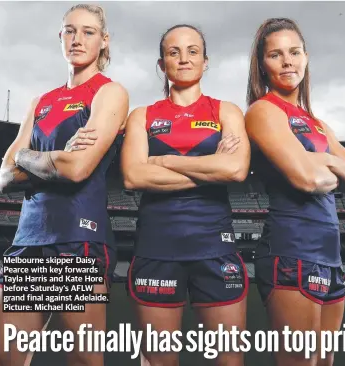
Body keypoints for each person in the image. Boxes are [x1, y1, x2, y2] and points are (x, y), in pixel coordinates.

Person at [0, 4, 128, 366]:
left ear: (104, 40)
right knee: (4, 358)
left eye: (88, 31)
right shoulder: (41, 102)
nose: (77, 39)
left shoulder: (108, 94)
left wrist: (26, 157)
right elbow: (4, 177)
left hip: (76, 238)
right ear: (60, 37)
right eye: (69, 30)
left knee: (81, 359)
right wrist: (47, 159)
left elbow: (77, 168)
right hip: (28, 239)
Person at [121, 24, 251, 366]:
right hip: (156, 249)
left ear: (205, 62)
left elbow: (236, 171)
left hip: (215, 248)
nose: (184, 59)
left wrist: (165, 161)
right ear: (162, 64)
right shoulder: (142, 116)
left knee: (229, 361)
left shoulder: (227, 111)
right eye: (174, 52)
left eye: (193, 51)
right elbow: (134, 175)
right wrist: (211, 168)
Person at [244, 18, 345, 366]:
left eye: (294, 52)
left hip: (330, 256)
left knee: (324, 361)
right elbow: (306, 180)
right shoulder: (264, 112)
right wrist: (327, 166)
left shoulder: (317, 123)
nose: (288, 61)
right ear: (263, 64)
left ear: (306, 57)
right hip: (291, 250)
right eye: (276, 54)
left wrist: (318, 158)